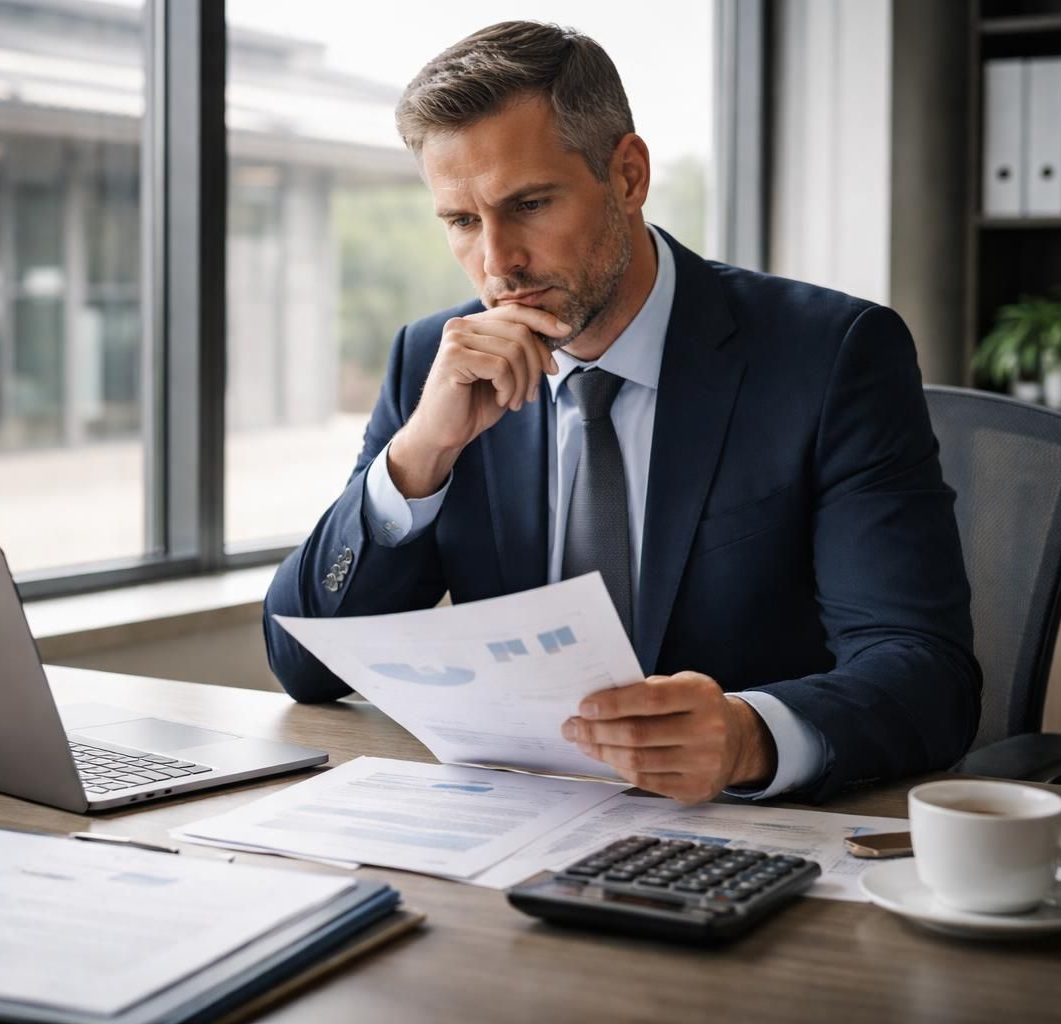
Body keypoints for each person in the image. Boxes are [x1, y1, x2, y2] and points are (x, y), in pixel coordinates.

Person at [263, 21, 980, 805]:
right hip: (520, 820)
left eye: (529, 204)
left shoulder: (831, 356)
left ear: (628, 175)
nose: (497, 263)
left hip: (746, 828)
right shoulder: (435, 361)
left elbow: (925, 671)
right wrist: (418, 459)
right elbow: (303, 663)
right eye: (463, 223)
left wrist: (750, 735)